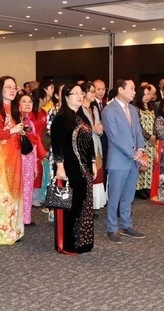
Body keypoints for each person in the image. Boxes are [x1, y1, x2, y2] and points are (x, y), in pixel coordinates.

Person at [50, 83, 97, 254]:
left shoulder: (82, 116)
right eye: (74, 93)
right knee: (72, 204)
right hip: (70, 166)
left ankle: (84, 242)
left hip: (85, 167)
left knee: (84, 202)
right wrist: (60, 167)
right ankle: (69, 243)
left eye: (81, 92)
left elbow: (89, 142)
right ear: (66, 96)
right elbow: (57, 145)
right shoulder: (61, 118)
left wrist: (92, 162)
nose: (79, 95)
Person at [102, 79, 147, 243]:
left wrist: (141, 150)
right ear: (121, 90)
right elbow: (114, 137)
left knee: (128, 196)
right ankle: (111, 228)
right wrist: (133, 154)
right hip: (119, 160)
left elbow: (138, 132)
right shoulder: (109, 110)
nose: (135, 92)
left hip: (133, 159)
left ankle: (126, 225)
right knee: (114, 196)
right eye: (132, 88)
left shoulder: (133, 109)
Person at [0, 76, 24, 245]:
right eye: (8, 87)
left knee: (14, 191)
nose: (12, 90)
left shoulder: (15, 109)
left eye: (14, 87)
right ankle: (1, 232)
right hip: (0, 158)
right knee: (3, 193)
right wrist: (11, 131)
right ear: (0, 89)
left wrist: (19, 131)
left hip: (14, 156)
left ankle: (13, 229)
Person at [80, 82, 107, 209]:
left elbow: (98, 124)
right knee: (87, 175)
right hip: (85, 146)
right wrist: (92, 129)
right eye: (91, 91)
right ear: (84, 93)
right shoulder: (79, 109)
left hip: (96, 145)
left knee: (98, 174)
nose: (94, 93)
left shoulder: (95, 108)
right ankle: (85, 205)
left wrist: (100, 129)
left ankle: (93, 205)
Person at [16, 94, 41, 227]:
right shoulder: (15, 121)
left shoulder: (30, 122)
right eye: (24, 101)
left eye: (30, 102)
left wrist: (36, 165)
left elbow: (35, 143)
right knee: (19, 188)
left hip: (30, 159)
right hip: (18, 158)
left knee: (28, 188)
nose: (27, 104)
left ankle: (26, 218)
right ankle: (18, 218)